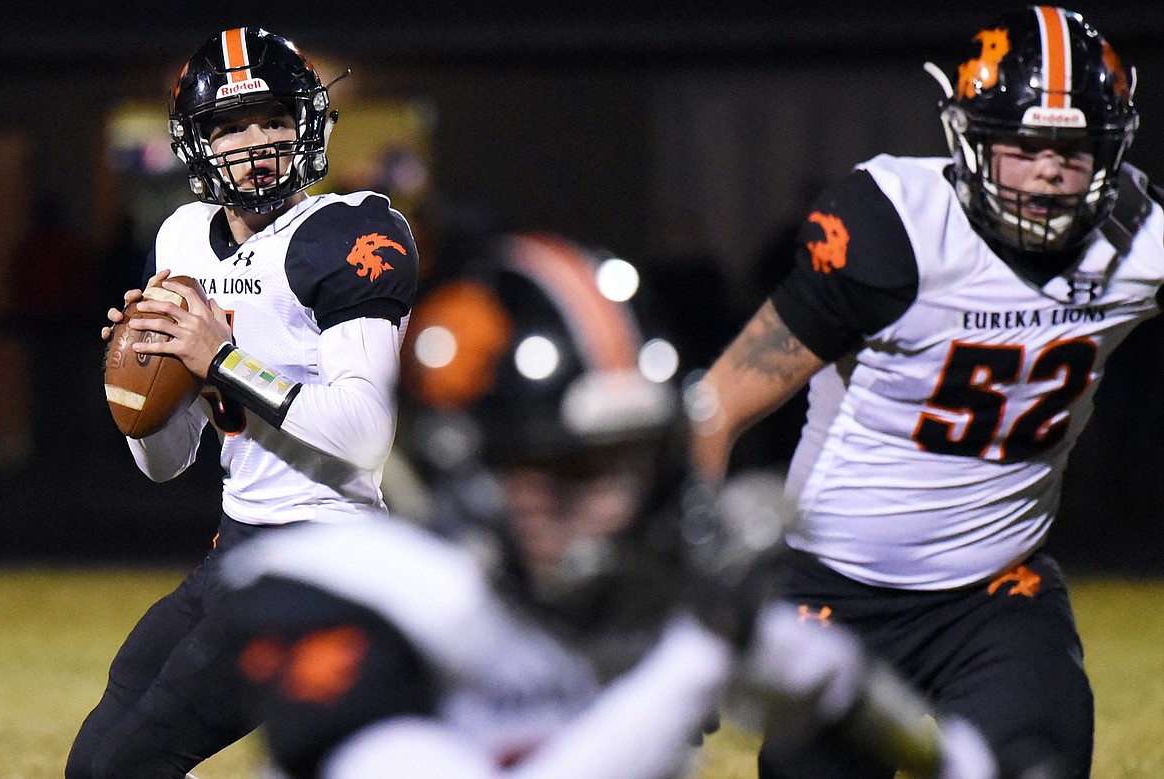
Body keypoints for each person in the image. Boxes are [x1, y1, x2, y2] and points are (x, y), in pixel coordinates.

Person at [213, 235, 997, 779]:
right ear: (461, 466)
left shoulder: (632, 589)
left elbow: (825, 680)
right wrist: (701, 650)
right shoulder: (341, 594)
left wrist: (958, 761)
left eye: (633, 464)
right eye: (571, 468)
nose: (615, 505)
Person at [688, 6, 1160, 778]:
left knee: (1036, 759)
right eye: (1025, 145)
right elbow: (714, 408)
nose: (1049, 169)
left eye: (1073, 150)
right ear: (969, 138)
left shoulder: (1141, 238)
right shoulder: (894, 229)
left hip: (998, 589)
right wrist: (694, 602)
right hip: (835, 596)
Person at [67, 27, 418, 779]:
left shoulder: (351, 232)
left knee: (128, 766)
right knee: (93, 763)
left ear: (307, 129)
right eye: (229, 126)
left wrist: (218, 359)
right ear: (199, 143)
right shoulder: (183, 237)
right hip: (237, 546)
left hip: (329, 558)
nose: (255, 142)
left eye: (273, 120)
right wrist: (143, 378)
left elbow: (362, 436)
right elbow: (165, 463)